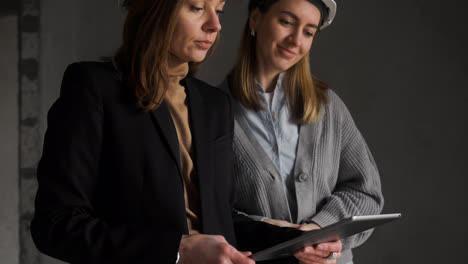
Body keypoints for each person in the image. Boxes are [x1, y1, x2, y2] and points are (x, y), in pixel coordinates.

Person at [30, 0, 286, 263]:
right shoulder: (93, 87)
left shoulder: (214, 105)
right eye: (197, 7)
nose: (215, 25)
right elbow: (56, 226)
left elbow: (221, 221)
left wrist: (293, 244)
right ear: (155, 10)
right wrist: (178, 251)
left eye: (219, 10)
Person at [219, 0, 384, 263]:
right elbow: (209, 211)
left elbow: (366, 193)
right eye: (286, 22)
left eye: (308, 32)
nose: (296, 40)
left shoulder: (328, 107)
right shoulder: (213, 112)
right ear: (255, 20)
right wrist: (273, 231)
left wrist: (320, 229)